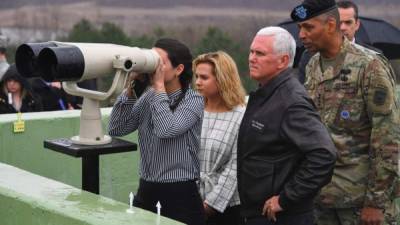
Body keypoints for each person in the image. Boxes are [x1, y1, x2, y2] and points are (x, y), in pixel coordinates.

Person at [291, 0, 399, 224]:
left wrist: (375, 202)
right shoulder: (312, 66)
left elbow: (387, 138)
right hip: (321, 197)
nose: (301, 35)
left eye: (308, 27)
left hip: (359, 201)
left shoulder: (369, 66)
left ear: (331, 25)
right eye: (300, 28)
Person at [237, 26, 337, 225]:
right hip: (258, 212)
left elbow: (324, 154)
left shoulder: (291, 101)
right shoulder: (267, 94)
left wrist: (286, 198)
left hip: (282, 216)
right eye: (251, 51)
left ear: (283, 61)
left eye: (260, 53)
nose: (251, 58)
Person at [108, 38, 205, 225]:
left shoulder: (193, 101)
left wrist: (159, 87)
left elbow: (166, 129)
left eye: (160, 62)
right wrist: (130, 89)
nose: (154, 67)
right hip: (147, 189)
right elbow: (116, 128)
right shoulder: (148, 97)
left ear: (179, 70)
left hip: (179, 194)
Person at [193, 51, 246, 225]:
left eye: (204, 77)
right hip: (191, 198)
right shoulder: (193, 110)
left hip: (227, 207)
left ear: (222, 79)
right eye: (196, 76)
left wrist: (209, 206)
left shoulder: (241, 116)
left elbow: (235, 168)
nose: (198, 82)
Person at [296, 0, 381, 83]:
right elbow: (303, 92)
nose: (343, 27)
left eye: (348, 22)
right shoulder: (310, 56)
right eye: (339, 23)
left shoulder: (374, 56)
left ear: (357, 24)